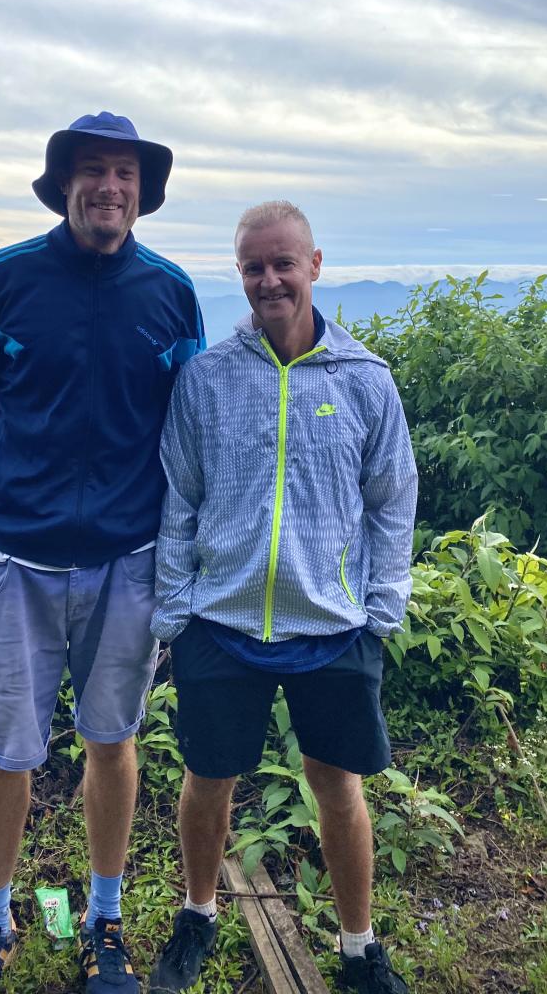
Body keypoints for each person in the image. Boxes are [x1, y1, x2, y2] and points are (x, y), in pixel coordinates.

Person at [0, 112, 204, 994]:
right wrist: (23, 498)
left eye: (125, 175)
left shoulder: (168, 292)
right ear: (64, 186)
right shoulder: (6, 279)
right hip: (13, 559)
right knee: (6, 749)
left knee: (111, 738)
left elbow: (185, 428)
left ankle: (105, 918)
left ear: (143, 192)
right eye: (93, 171)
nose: (110, 188)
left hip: (127, 558)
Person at [148, 200, 416, 994]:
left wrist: (381, 609)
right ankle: (198, 914)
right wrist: (173, 613)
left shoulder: (366, 380)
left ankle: (359, 947)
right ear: (239, 274)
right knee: (207, 782)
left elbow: (394, 499)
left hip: (332, 627)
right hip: (220, 623)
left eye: (283, 263)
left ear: (315, 265)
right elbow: (178, 500)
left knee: (339, 789)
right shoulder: (206, 379)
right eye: (253, 267)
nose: (270, 279)